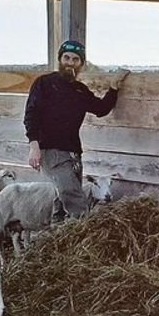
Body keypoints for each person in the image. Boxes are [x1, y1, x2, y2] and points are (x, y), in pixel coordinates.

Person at [23, 39, 127, 220]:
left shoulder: (80, 90)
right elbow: (31, 114)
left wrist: (113, 88)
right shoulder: (44, 83)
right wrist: (34, 146)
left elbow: (101, 109)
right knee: (75, 199)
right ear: (60, 59)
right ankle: (85, 233)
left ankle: (57, 232)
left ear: (81, 64)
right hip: (51, 151)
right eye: (67, 57)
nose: (70, 63)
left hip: (73, 153)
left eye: (75, 59)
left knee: (63, 199)